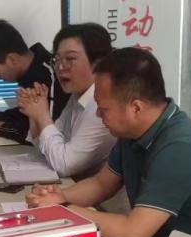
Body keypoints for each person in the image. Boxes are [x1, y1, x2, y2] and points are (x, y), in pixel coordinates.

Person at [27, 47, 191, 237]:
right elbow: (101, 184)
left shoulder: (179, 148)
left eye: (103, 108)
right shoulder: (133, 132)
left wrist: (64, 211)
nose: (98, 115)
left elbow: (132, 233)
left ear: (136, 108)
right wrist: (60, 197)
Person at [16, 22, 116, 179]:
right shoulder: (77, 96)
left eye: (70, 58)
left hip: (98, 194)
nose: (60, 67)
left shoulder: (102, 107)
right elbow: (47, 150)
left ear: (98, 64)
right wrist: (34, 113)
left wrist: (42, 115)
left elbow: (63, 166)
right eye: (56, 59)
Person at [0, 18, 65, 142]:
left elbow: (49, 128)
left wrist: (3, 129)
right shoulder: (32, 71)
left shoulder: (50, 75)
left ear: (12, 59)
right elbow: (26, 114)